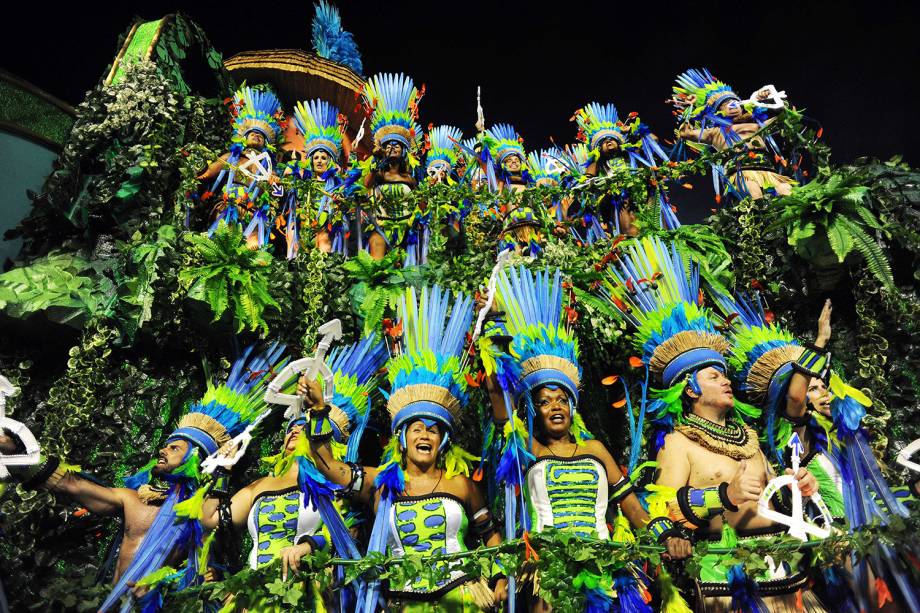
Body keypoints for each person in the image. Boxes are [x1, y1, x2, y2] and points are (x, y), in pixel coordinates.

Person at [597, 237, 828, 612]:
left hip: (784, 569)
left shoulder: (750, 437)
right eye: (712, 375)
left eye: (724, 374)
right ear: (689, 389)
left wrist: (797, 491)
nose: (725, 381)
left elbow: (772, 501)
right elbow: (660, 506)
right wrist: (723, 495)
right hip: (724, 578)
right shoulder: (678, 442)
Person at [1, 345, 284, 611]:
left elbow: (207, 571)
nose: (162, 450)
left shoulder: (203, 514)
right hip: (109, 602)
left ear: (196, 458)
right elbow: (70, 484)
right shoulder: (132, 499)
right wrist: (16, 450)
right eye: (166, 444)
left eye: (174, 448)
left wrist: (165, 582)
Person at [306, 285, 508, 612]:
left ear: (443, 440)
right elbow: (327, 465)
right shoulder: (380, 483)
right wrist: (317, 413)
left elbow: (491, 536)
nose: (424, 434)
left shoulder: (461, 485)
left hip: (460, 601)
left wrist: (499, 580)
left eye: (432, 429)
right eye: (416, 428)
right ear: (402, 438)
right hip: (401, 603)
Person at [484, 266, 655, 612]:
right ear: (532, 411)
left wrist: (662, 534)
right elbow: (501, 410)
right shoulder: (527, 449)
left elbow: (632, 506)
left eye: (562, 399)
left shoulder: (594, 450)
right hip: (547, 574)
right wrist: (496, 349)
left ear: (573, 406)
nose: (555, 407)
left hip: (604, 569)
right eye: (544, 402)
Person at [672, 68, 795, 202]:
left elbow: (789, 115)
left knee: (787, 191)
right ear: (717, 112)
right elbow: (685, 133)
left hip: (768, 171)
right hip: (741, 173)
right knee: (754, 195)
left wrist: (769, 98)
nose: (732, 106)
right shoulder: (715, 133)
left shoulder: (758, 126)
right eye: (724, 105)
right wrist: (690, 108)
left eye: (735, 103)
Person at [197, 86, 284, 249]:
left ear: (266, 143)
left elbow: (278, 194)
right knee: (222, 243)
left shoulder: (268, 167)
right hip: (230, 205)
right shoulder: (231, 158)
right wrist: (195, 169)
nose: (257, 136)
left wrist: (276, 183)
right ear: (244, 138)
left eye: (261, 136)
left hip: (254, 212)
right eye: (253, 133)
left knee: (253, 249)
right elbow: (207, 172)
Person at [360, 73, 424, 264]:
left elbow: (422, 205)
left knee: (405, 273)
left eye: (397, 144)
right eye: (388, 144)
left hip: (407, 230)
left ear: (405, 149)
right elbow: (366, 186)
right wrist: (375, 161)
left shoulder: (411, 178)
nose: (393, 147)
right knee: (378, 269)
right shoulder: (378, 174)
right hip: (380, 227)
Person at [286, 98, 353, 257]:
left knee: (323, 245)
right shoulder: (304, 178)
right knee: (294, 241)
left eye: (324, 158)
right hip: (303, 225)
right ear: (311, 161)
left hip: (325, 228)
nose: (319, 161)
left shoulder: (335, 182)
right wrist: (293, 164)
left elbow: (347, 200)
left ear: (329, 161)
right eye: (316, 158)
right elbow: (287, 180)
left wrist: (339, 199)